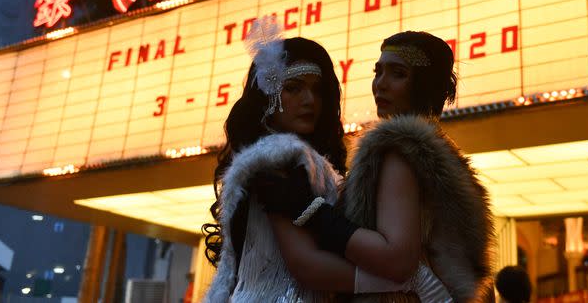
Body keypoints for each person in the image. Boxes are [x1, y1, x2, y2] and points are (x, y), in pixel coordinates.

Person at [203, 20, 447, 302]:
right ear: (270, 96)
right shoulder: (277, 157)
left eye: (317, 90)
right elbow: (306, 265)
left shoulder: (305, 160)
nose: (310, 100)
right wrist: (407, 282)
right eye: (294, 88)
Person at [265, 30, 494, 301]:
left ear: (424, 84)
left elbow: (397, 260)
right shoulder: (442, 156)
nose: (380, 84)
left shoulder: (396, 150)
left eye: (398, 74)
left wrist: (312, 212)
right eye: (378, 72)